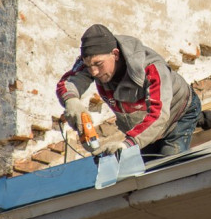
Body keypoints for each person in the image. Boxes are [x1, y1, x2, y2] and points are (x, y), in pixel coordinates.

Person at [56, 24, 201, 159]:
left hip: (177, 114)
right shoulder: (94, 62)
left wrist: (128, 144)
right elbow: (69, 82)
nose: (93, 72)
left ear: (115, 54)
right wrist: (71, 100)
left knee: (167, 166)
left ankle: (199, 120)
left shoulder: (151, 68)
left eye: (98, 64)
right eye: (88, 66)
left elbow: (159, 115)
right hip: (144, 123)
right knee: (146, 169)